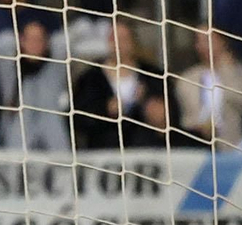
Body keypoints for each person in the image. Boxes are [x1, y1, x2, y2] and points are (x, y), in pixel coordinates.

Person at [71, 20, 169, 151]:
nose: (118, 44)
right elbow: (78, 118)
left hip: (146, 152)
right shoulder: (90, 79)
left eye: (123, 39)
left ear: (133, 41)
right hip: (105, 153)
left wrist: (153, 110)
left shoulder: (153, 76)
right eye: (113, 38)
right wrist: (105, 109)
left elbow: (172, 114)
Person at [0, 20, 70, 154]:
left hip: (50, 120)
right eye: (30, 39)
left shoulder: (54, 66)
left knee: (62, 153)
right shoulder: (10, 68)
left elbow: (62, 42)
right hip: (20, 121)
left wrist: (47, 42)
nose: (35, 44)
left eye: (39, 40)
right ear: (21, 41)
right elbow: (1, 43)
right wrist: (20, 43)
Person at [173, 27, 242, 149]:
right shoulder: (187, 78)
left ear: (222, 42)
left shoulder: (240, 73)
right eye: (198, 41)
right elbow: (184, 117)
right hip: (195, 145)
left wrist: (228, 70)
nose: (203, 45)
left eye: (208, 40)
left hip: (233, 146)